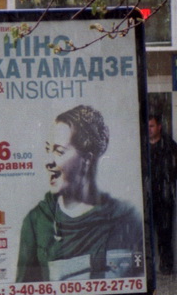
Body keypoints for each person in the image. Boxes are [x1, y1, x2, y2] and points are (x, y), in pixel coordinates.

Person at [16, 105, 144, 283]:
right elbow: (25, 290)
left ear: (87, 159)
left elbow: (135, 278)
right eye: (48, 150)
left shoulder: (125, 218)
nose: (48, 162)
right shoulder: (37, 220)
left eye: (59, 151)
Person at [148, 113, 177, 275]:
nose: (149, 129)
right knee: (145, 232)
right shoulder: (141, 146)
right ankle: (147, 267)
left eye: (152, 126)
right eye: (148, 126)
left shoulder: (170, 146)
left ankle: (166, 267)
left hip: (165, 197)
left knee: (165, 234)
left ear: (159, 126)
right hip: (146, 197)